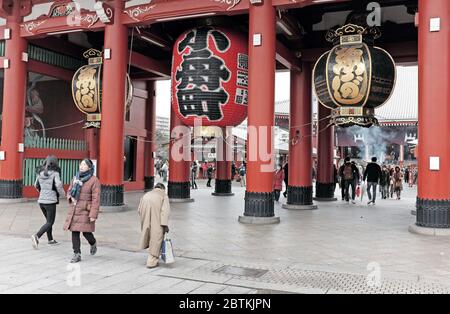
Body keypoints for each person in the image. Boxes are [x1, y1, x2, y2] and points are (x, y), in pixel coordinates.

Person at [64, 159, 100, 264]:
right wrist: (70, 197)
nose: (81, 166)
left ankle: (93, 243)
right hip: (74, 209)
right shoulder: (76, 177)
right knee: (74, 231)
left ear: (89, 167)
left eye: (84, 165)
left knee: (86, 232)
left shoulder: (94, 180)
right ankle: (77, 253)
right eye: (81, 164)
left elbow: (96, 198)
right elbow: (69, 190)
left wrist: (93, 214)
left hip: (85, 209)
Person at [31, 156, 66, 249]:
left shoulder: (40, 173)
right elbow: (58, 185)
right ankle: (36, 236)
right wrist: (63, 195)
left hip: (41, 201)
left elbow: (35, 185)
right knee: (50, 222)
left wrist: (42, 193)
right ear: (55, 163)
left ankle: (50, 240)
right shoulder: (55, 173)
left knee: (48, 221)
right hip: (50, 202)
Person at [138, 183, 171, 269]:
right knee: (156, 238)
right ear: (163, 189)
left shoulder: (146, 194)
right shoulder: (163, 196)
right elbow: (165, 211)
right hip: (157, 220)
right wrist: (165, 224)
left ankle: (152, 256)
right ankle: (151, 261)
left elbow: (139, 209)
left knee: (148, 236)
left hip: (146, 218)